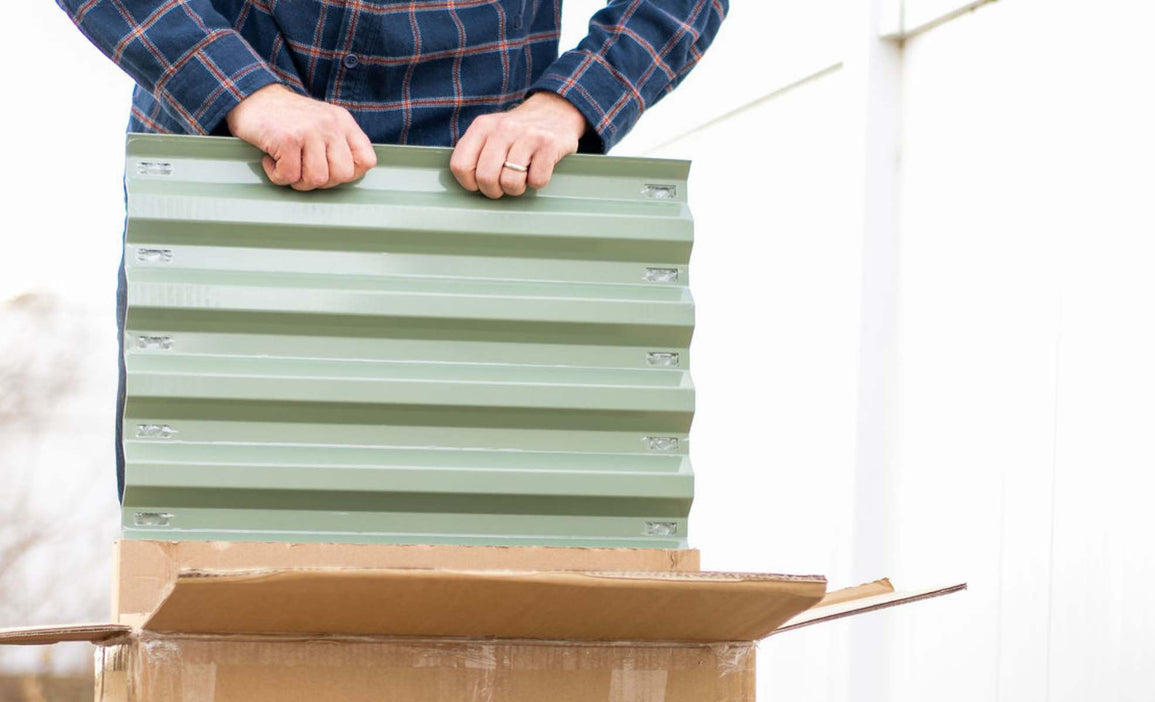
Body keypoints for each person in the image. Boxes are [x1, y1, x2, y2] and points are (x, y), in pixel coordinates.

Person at [58, 0, 727, 494]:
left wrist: (569, 104)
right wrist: (246, 92)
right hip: (229, 164)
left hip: (486, 188)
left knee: (490, 560)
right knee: (203, 545)